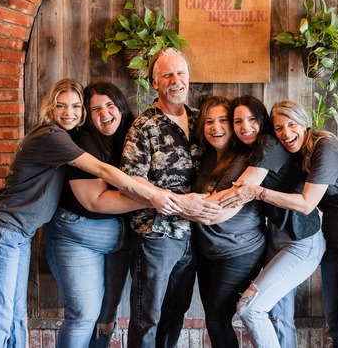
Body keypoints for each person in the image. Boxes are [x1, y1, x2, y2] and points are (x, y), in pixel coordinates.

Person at [0, 78, 214, 347]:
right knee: (2, 314)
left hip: (21, 232)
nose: (69, 112)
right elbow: (101, 177)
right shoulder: (52, 136)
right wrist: (160, 197)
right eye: (61, 106)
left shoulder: (83, 135)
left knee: (16, 314)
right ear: (49, 108)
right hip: (4, 228)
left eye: (76, 106)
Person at [225, 99, 338, 348]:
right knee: (333, 322)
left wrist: (257, 192)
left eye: (291, 124)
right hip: (333, 235)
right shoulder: (299, 153)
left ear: (304, 123)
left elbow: (307, 203)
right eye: (279, 128)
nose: (286, 133)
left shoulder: (325, 148)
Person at [120, 48, 218, 348]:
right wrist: (165, 198)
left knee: (176, 312)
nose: (176, 80)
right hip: (156, 236)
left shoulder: (203, 121)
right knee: (146, 316)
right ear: (154, 83)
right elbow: (129, 180)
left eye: (181, 73)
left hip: (195, 236)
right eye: (167, 75)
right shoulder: (143, 126)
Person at [224, 95, 326, 348]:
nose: (245, 127)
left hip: (302, 241)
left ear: (261, 121)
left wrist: (193, 204)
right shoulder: (248, 151)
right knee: (279, 317)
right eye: (238, 121)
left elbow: (244, 189)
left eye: (251, 120)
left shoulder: (269, 144)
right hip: (276, 236)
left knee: (250, 308)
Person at [44, 82, 140, 347]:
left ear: (121, 106)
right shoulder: (82, 140)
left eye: (110, 105)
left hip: (120, 238)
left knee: (108, 315)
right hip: (78, 235)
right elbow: (94, 201)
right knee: (83, 316)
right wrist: (153, 200)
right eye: (95, 108)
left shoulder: (133, 134)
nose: (104, 113)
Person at [192, 96, 266, 348]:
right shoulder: (206, 157)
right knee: (213, 319)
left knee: (217, 320)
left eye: (223, 120)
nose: (216, 127)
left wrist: (172, 204)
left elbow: (217, 209)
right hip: (207, 251)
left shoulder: (243, 159)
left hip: (239, 251)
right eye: (209, 122)